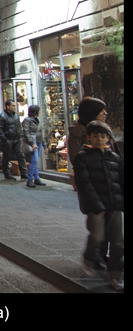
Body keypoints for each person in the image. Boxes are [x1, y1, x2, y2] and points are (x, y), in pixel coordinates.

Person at [72, 120, 124, 291]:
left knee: (118, 241)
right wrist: (96, 204)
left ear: (108, 138)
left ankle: (116, 276)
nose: (100, 139)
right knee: (98, 236)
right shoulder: (83, 157)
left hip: (114, 205)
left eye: (103, 136)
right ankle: (89, 259)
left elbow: (121, 181)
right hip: (96, 206)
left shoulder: (115, 158)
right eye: (96, 136)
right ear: (89, 138)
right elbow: (84, 183)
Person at [0, 100, 28, 181]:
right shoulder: (2, 117)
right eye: (13, 106)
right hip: (8, 139)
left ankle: (24, 173)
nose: (14, 107)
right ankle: (7, 174)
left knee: (21, 156)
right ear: (7, 107)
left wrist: (20, 134)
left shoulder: (16, 115)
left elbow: (18, 125)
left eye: (15, 106)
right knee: (6, 157)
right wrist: (4, 139)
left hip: (17, 139)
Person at [21, 105, 46, 188]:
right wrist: (32, 143)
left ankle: (37, 178)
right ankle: (30, 179)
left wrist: (45, 145)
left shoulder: (37, 120)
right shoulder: (27, 120)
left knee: (35, 161)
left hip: (39, 141)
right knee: (34, 160)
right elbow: (26, 132)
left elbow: (41, 133)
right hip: (32, 142)